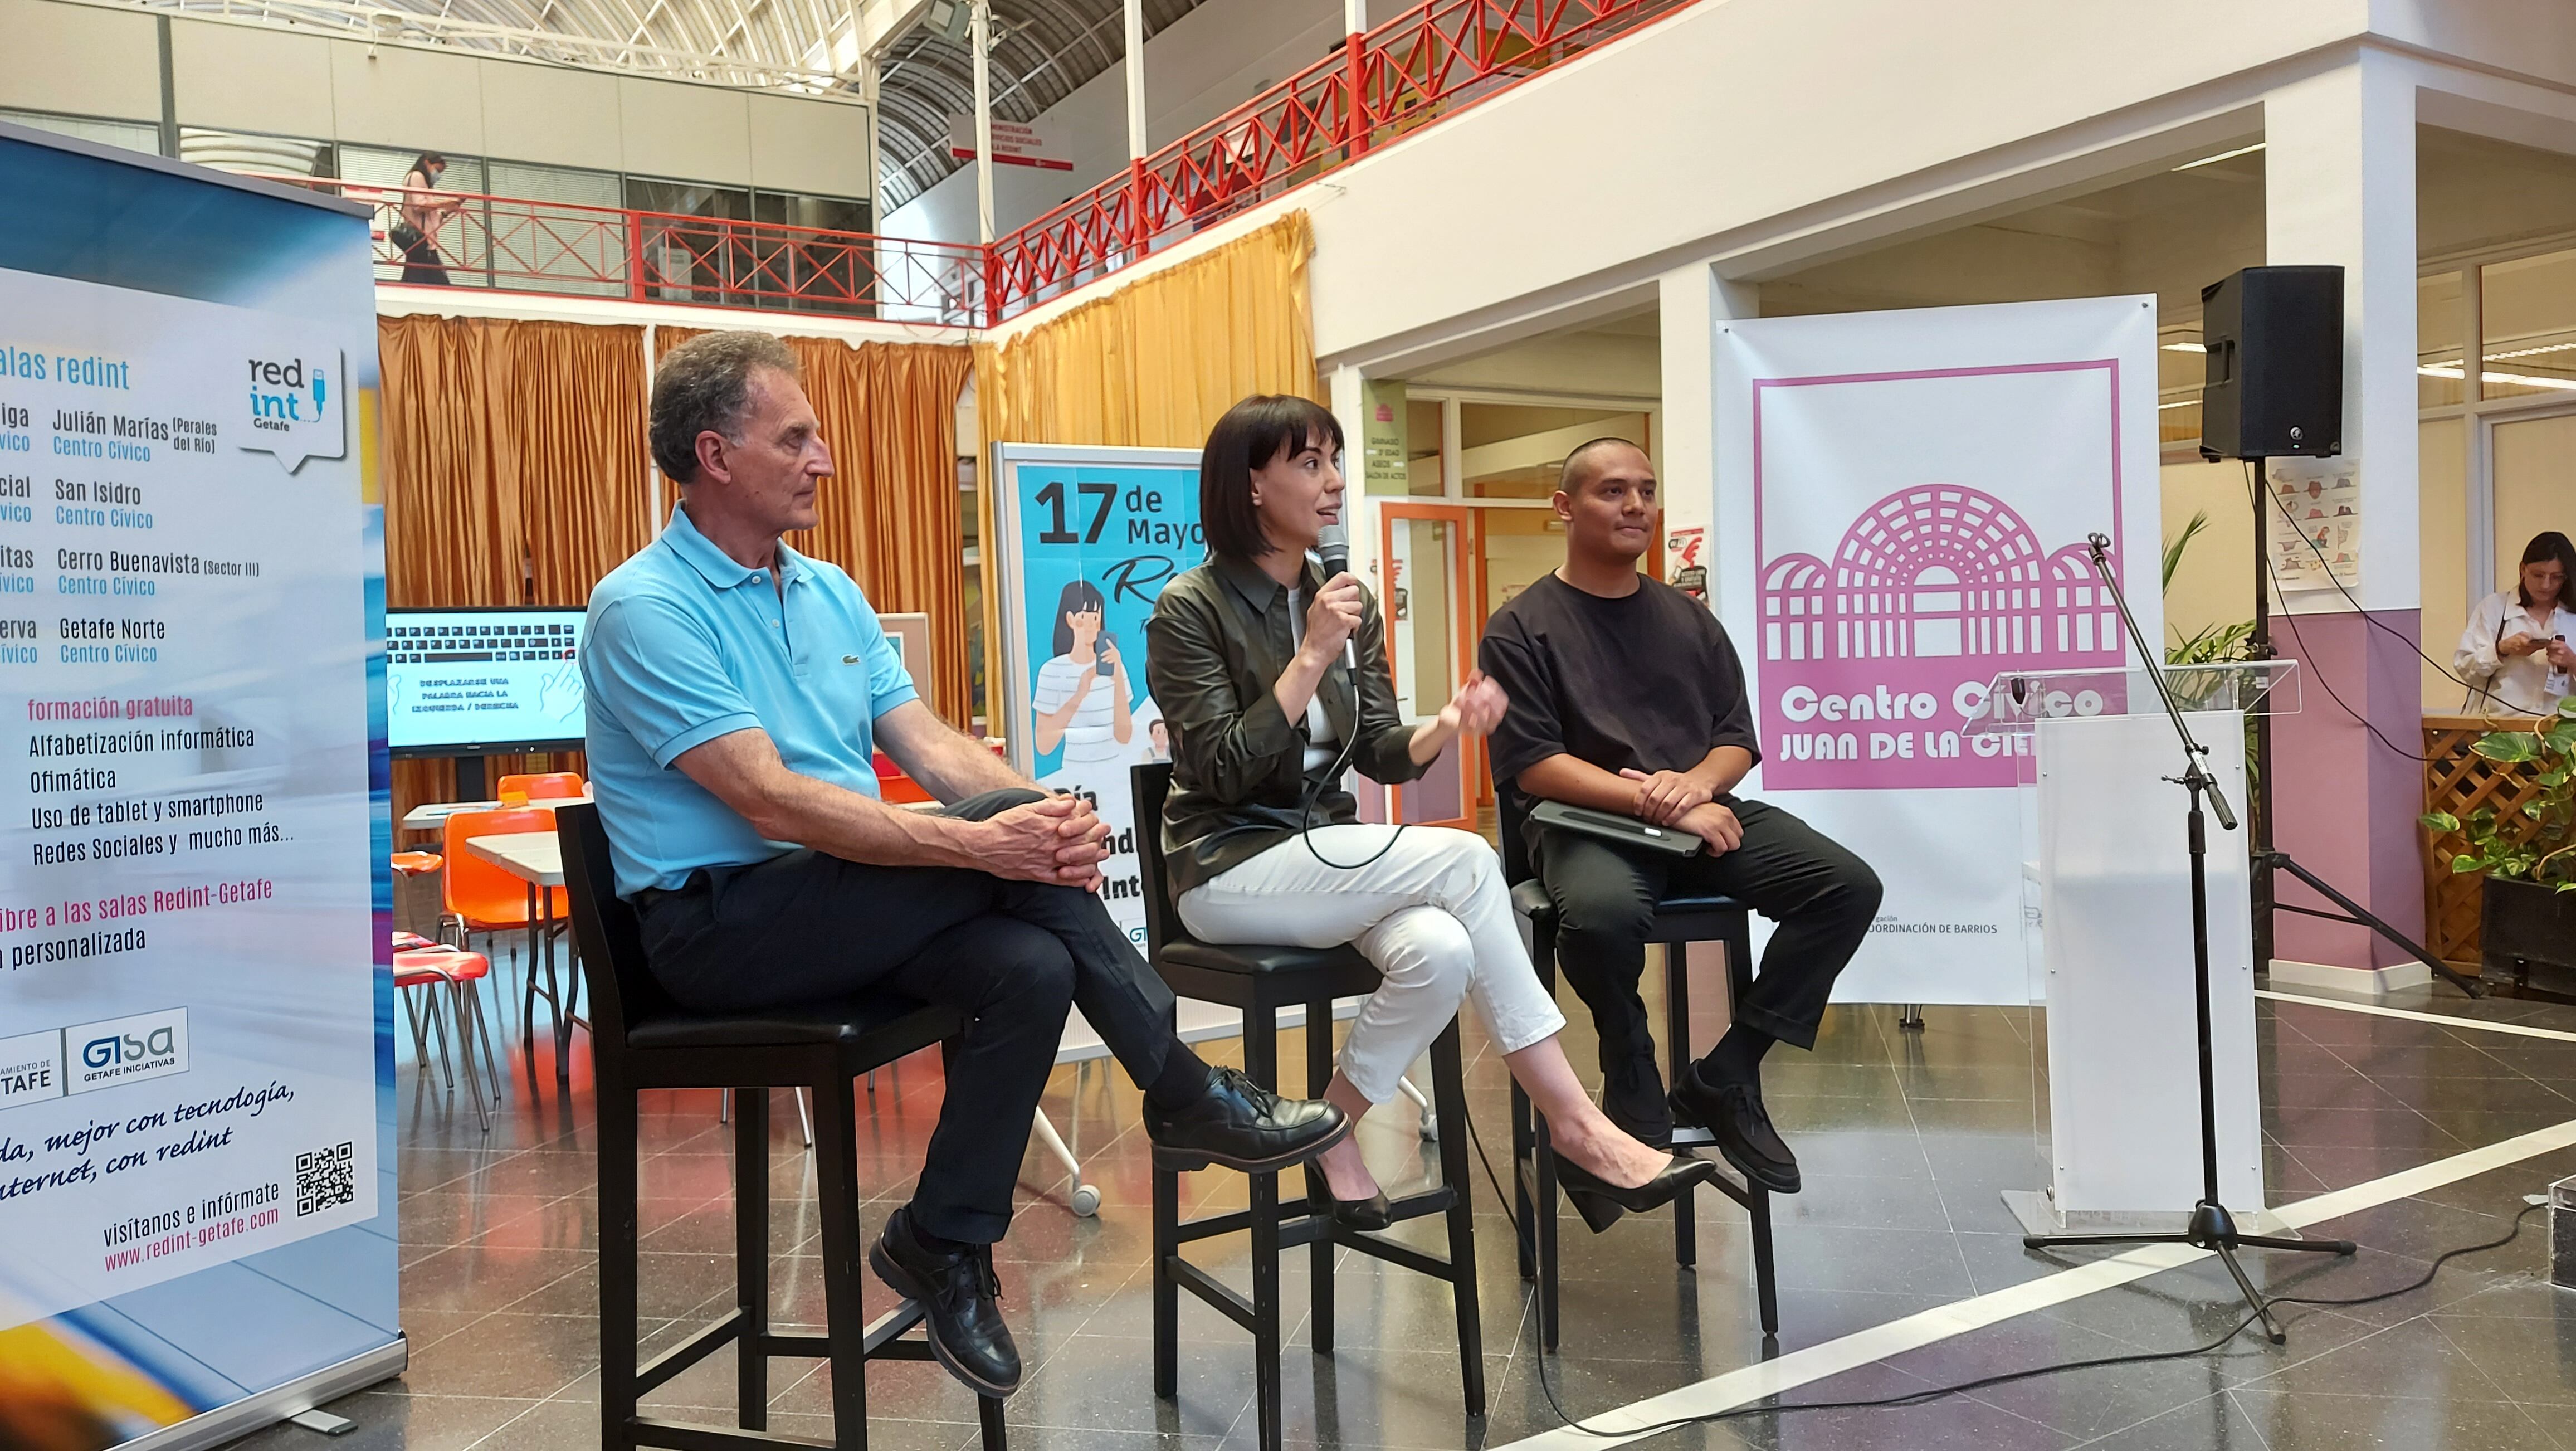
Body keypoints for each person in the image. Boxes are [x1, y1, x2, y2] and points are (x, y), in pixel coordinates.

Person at [582, 334, 1346, 1399]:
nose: (825, 458)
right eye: (794, 436)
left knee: (1026, 968)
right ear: (714, 453)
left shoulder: (831, 592)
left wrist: (1045, 812)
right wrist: (988, 843)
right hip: (716, 930)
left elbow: (933, 745)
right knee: (1011, 867)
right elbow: (768, 796)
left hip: (833, 904)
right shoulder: (644, 606)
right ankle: (1180, 1088)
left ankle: (940, 1238)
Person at [1146, 395, 1714, 1233]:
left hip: (1327, 859)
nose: (1335, 482)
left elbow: (1376, 749)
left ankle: (1331, 1131)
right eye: (1310, 464)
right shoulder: (1189, 609)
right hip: (1227, 866)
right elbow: (1223, 772)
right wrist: (1309, 657)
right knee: (1465, 860)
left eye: (1336, 460)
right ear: (1252, 486)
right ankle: (1579, 1124)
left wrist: (1446, 728)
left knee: (1443, 952)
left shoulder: (1348, 600)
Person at [1477, 439, 1882, 1196]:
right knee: (1600, 916)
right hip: (1583, 822)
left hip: (1698, 813)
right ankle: (1629, 1059)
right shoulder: (1520, 627)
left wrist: (1694, 788)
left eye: (1647, 491)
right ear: (1565, 508)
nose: (1636, 507)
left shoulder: (1689, 621)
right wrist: (1657, 801)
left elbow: (1736, 741)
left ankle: (1724, 1076)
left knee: (1847, 887)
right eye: (1612, 492)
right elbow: (1535, 765)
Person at [2455, 530, 2576, 715]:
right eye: (2538, 575)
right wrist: (2501, 650)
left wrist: (2572, 662)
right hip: (2500, 730)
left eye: (2556, 577)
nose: (2546, 585)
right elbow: (2465, 669)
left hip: (2562, 733)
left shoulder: (2572, 615)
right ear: (2522, 570)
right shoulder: (2494, 608)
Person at [1030, 579, 1134, 767]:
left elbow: (1124, 735)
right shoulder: (1051, 670)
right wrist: (1079, 695)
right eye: (1083, 618)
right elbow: (1044, 746)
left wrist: (1118, 678)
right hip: (1073, 775)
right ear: (1070, 619)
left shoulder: (1114, 664)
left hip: (1115, 772)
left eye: (1095, 618)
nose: (1090, 625)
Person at [393, 152, 457, 285]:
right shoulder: (417, 176)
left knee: (416, 276)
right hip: (421, 240)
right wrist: (444, 203)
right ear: (427, 163)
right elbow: (419, 205)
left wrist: (446, 212)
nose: (438, 175)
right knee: (436, 281)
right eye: (438, 170)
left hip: (423, 240)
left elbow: (429, 217)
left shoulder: (425, 183)